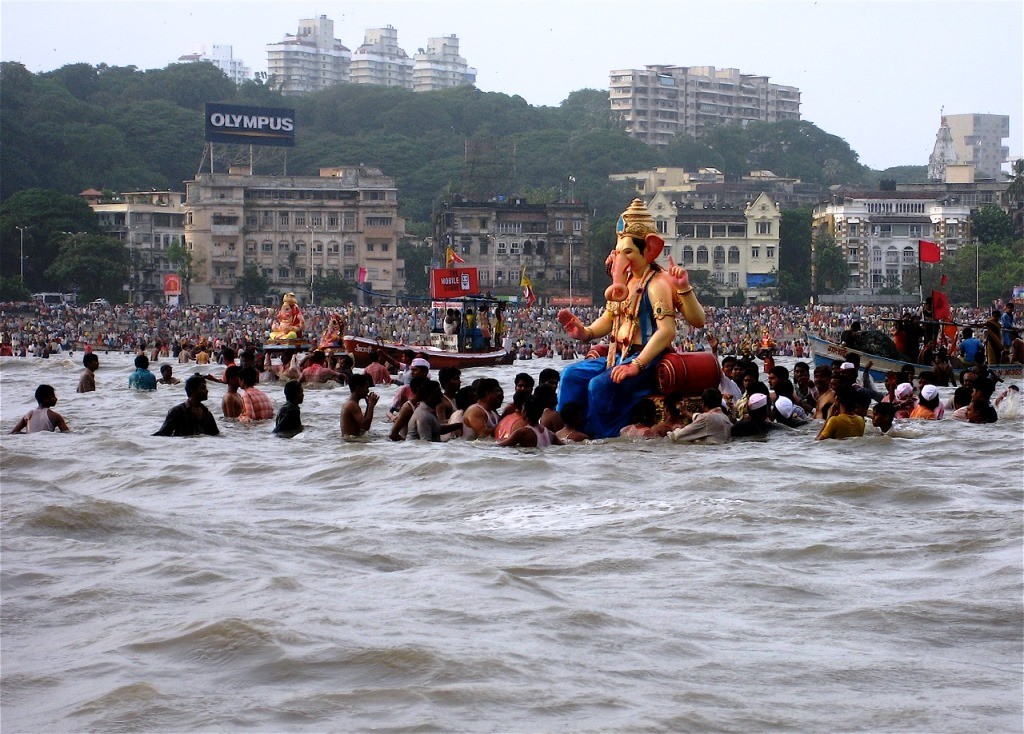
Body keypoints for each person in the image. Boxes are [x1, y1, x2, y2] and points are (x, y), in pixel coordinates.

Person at [556, 199, 705, 438]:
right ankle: (568, 429)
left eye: (628, 252)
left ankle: (602, 436)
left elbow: (667, 331)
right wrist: (585, 332)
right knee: (570, 375)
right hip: (618, 355)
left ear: (649, 250)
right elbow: (610, 317)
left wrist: (636, 366)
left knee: (599, 385)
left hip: (647, 358)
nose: (620, 258)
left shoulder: (657, 284)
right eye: (618, 251)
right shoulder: (624, 281)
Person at [153, 375, 219, 437]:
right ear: (192, 390)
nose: (207, 391)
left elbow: (215, 435)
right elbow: (163, 434)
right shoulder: (177, 412)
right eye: (202, 388)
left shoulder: (207, 413)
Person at [341, 373, 379, 438]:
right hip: (352, 442)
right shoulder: (352, 405)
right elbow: (365, 426)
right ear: (358, 388)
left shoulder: (351, 403)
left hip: (351, 440)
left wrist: (368, 405)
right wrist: (371, 405)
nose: (368, 391)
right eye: (366, 387)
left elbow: (363, 426)